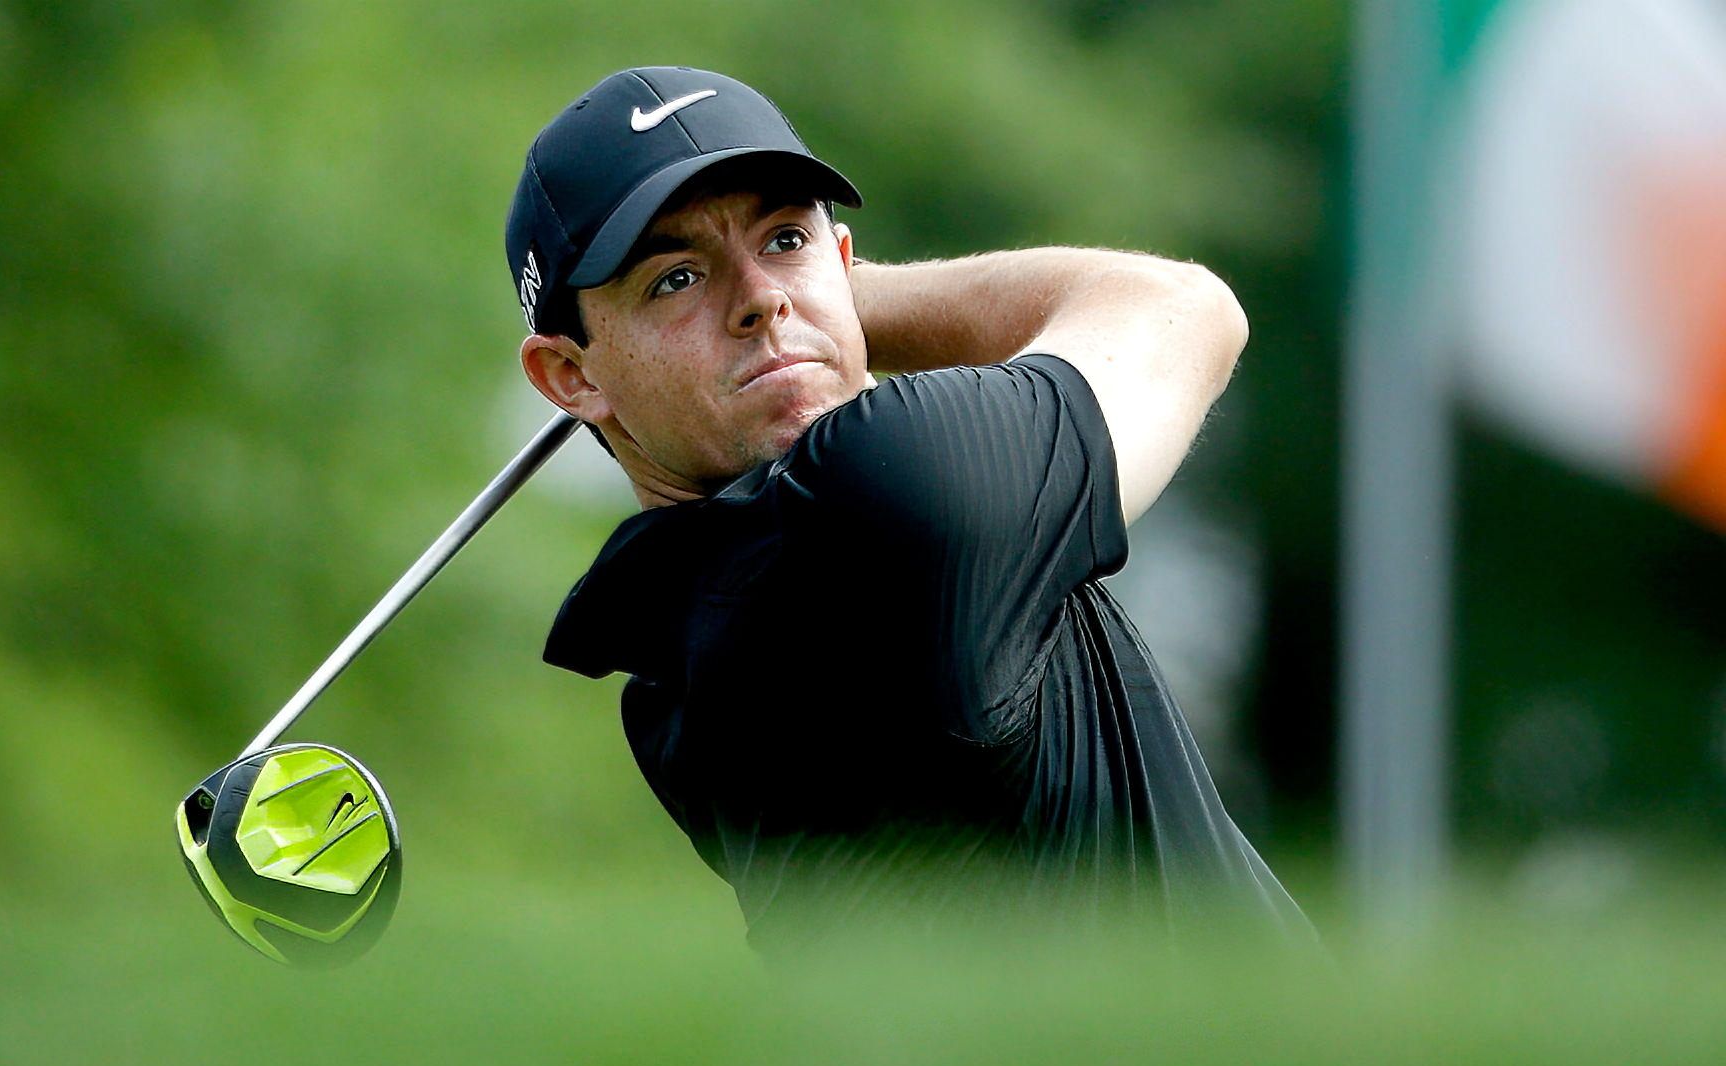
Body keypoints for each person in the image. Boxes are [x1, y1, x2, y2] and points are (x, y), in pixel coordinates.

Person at [507, 66, 1313, 957]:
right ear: (570, 376)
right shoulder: (886, 489)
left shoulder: (668, 664)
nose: (762, 298)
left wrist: (799, 310)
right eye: (674, 278)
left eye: (784, 239)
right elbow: (1182, 311)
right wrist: (838, 307)